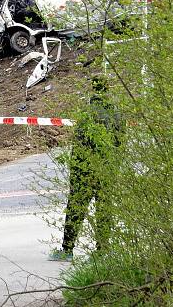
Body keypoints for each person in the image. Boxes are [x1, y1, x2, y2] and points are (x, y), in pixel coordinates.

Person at [50, 76, 121, 261]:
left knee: (76, 207)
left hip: (85, 171)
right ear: (108, 89)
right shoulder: (116, 112)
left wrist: (76, 170)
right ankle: (103, 250)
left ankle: (67, 250)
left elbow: (81, 144)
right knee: (104, 210)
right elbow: (120, 143)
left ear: (93, 89)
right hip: (107, 169)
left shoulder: (87, 112)